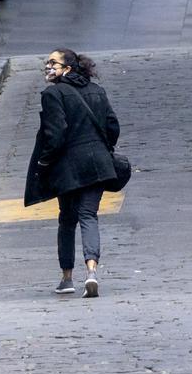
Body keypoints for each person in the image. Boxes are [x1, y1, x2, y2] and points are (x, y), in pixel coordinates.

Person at [24, 48, 120, 298]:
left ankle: (67, 278)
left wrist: (44, 164)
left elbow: (55, 134)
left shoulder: (53, 93)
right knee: (89, 215)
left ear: (67, 68)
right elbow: (113, 126)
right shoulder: (97, 91)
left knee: (67, 219)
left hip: (68, 167)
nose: (47, 66)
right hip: (98, 164)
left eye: (53, 62)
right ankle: (91, 272)